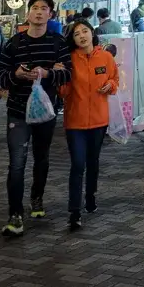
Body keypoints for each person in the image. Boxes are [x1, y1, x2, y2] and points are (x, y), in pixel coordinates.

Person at [0, 0, 72, 238]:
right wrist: (16, 75)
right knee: (17, 163)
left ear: (50, 14)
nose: (39, 12)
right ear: (28, 13)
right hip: (17, 111)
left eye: (44, 8)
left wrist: (47, 74)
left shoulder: (58, 42)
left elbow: (68, 74)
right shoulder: (13, 43)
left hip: (46, 112)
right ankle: (15, 214)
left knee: (41, 158)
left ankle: (37, 198)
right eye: (35, 8)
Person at [59, 19, 119, 231]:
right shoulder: (68, 59)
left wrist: (110, 85)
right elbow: (63, 91)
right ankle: (74, 212)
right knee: (78, 164)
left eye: (85, 31)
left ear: (92, 33)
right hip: (75, 121)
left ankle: (91, 195)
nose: (82, 36)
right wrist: (60, 76)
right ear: (73, 39)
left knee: (93, 161)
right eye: (77, 34)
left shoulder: (106, 56)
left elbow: (115, 79)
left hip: (99, 121)